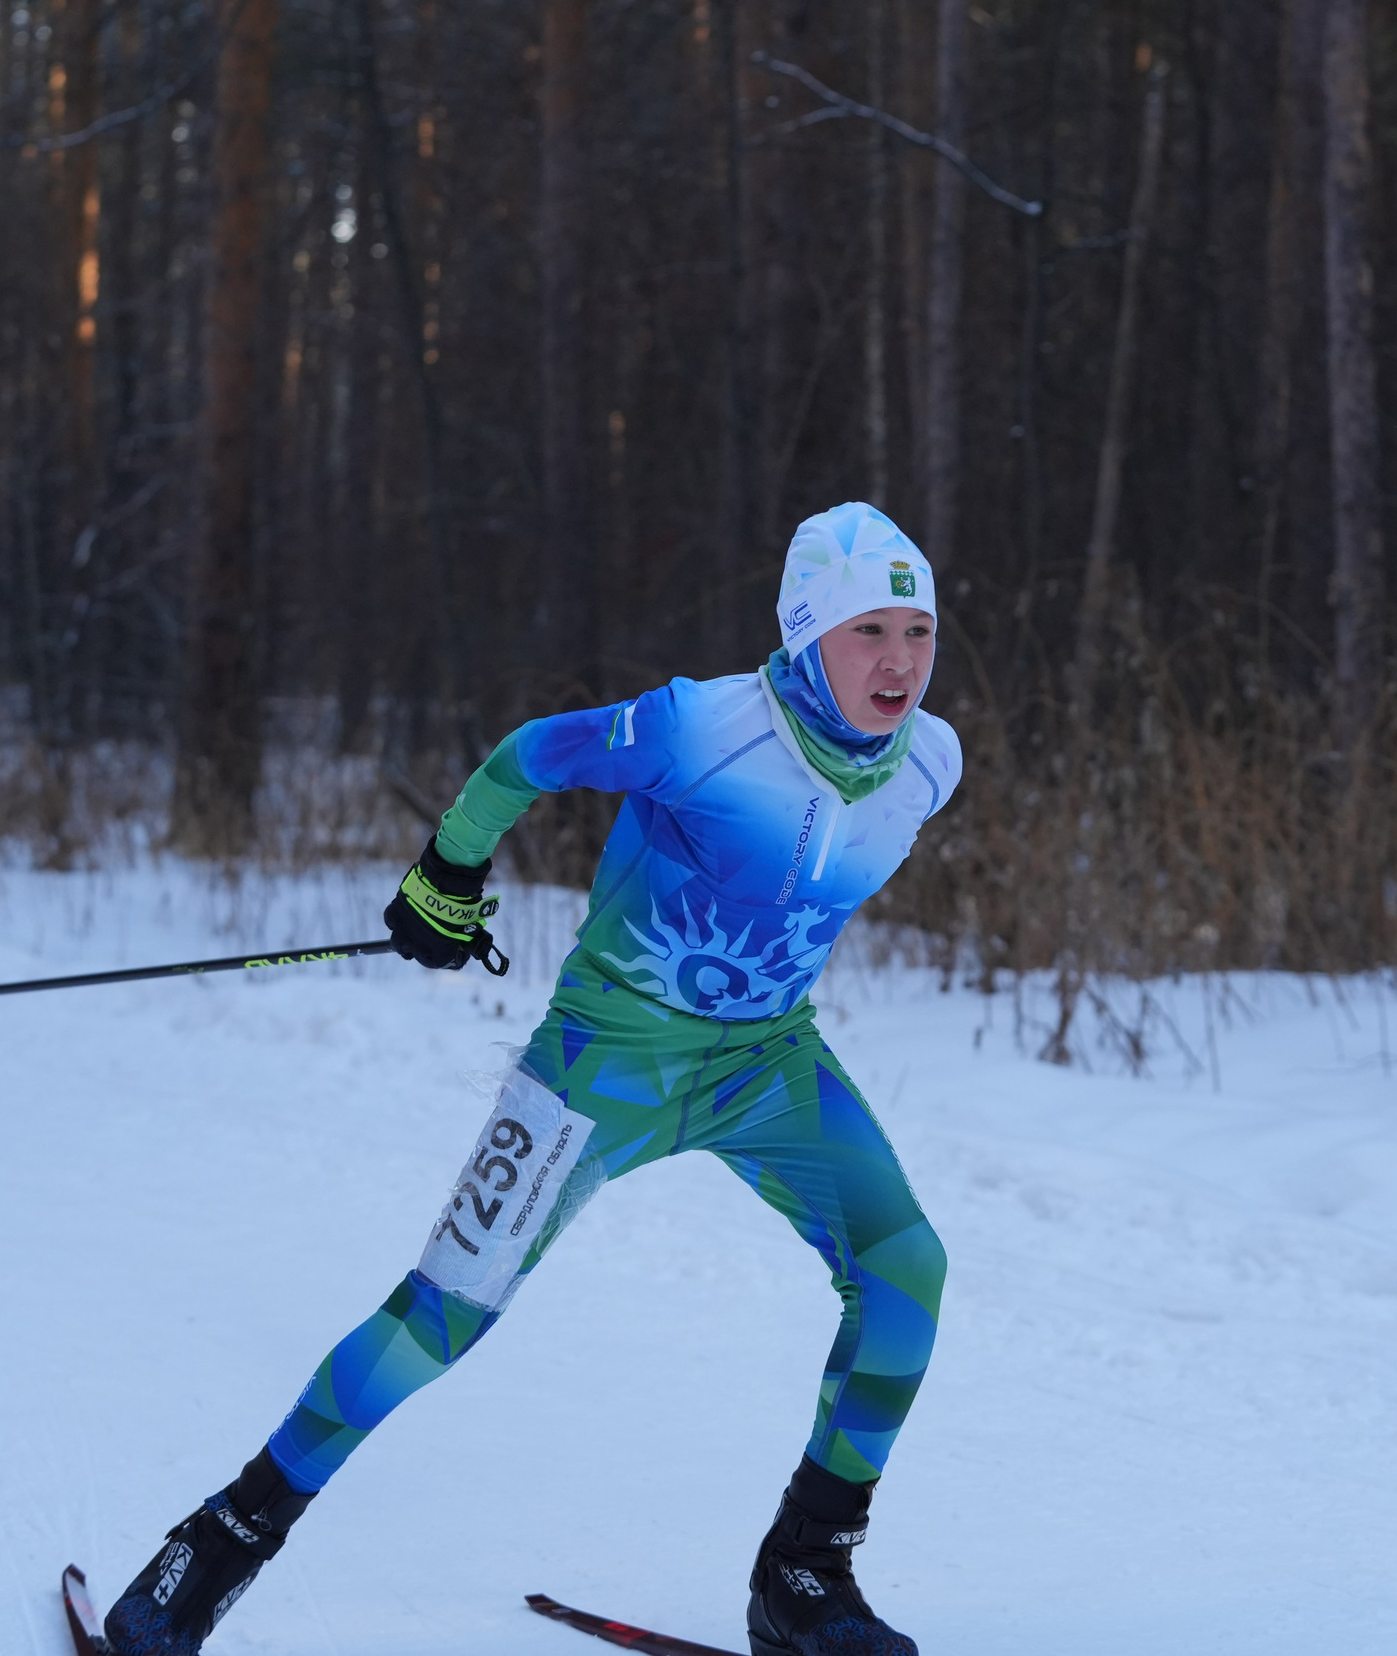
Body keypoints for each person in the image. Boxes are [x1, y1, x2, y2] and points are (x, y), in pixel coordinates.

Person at [102, 505, 962, 1656]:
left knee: (905, 1269)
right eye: (868, 632)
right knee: (442, 1314)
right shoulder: (701, 727)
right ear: (807, 637)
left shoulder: (930, 764)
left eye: (918, 631)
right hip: (605, 1059)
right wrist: (446, 875)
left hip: (766, 1062)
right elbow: (529, 756)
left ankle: (806, 1574)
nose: (899, 661)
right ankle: (217, 1543)